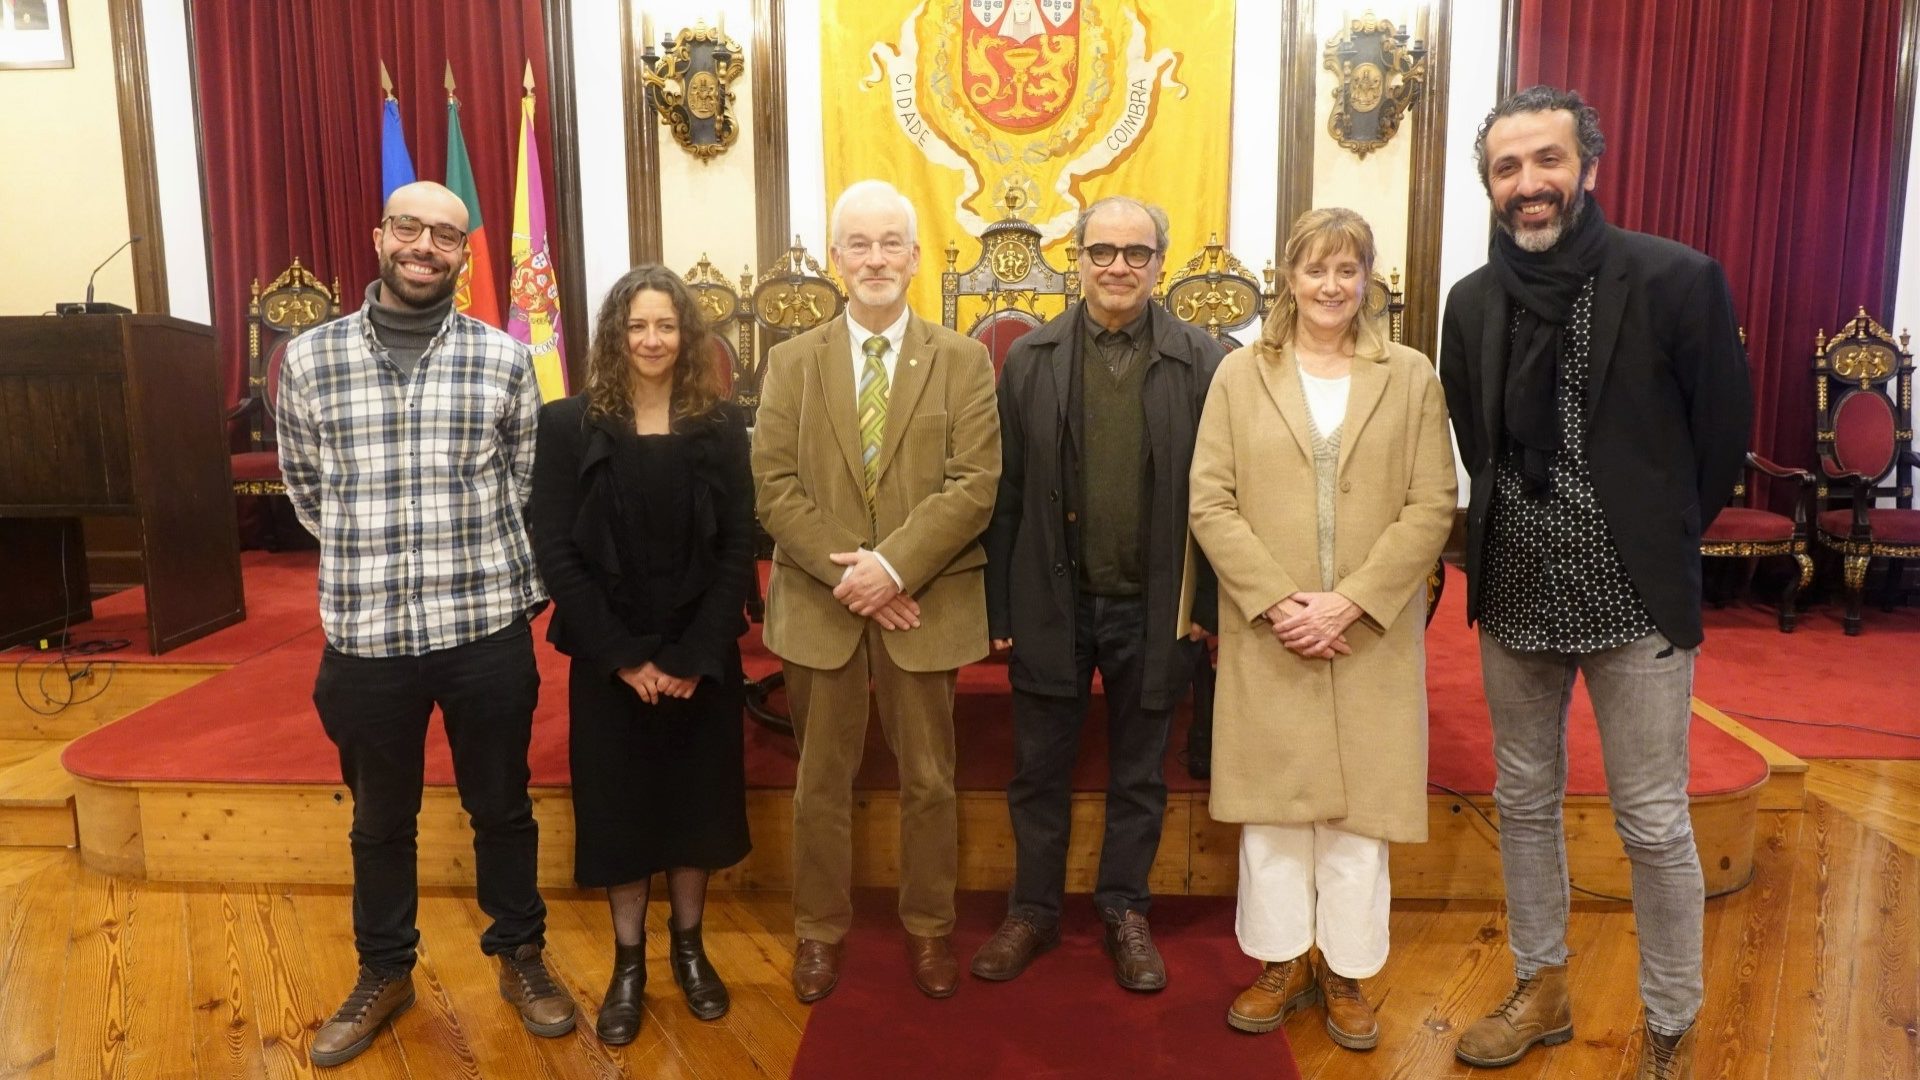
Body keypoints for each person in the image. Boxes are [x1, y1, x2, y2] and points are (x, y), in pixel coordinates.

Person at [1440, 86, 1751, 1079]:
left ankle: (1670, 1021)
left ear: (1589, 169)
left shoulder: (1675, 279)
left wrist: (1655, 537)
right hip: (1515, 592)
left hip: (1634, 597)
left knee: (1653, 818)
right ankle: (1544, 987)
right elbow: (1473, 436)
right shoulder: (1472, 301)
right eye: (1506, 168)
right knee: (1523, 800)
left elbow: (1720, 442)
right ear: (1489, 185)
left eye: (1546, 161)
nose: (1528, 184)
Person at [277, 180, 575, 1068]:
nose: (424, 247)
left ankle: (521, 956)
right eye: (409, 228)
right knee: (378, 820)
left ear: (462, 255)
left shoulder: (503, 360)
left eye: (445, 236)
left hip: (482, 628)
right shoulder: (308, 360)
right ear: (380, 235)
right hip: (367, 637)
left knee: (503, 807)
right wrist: (377, 555)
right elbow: (307, 492)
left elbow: (521, 486)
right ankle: (384, 972)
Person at [1188, 207, 1456, 1051]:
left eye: (1348, 271)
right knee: (1273, 809)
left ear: (1368, 279)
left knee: (1357, 814)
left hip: (1370, 631)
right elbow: (1210, 500)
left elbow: (1432, 502)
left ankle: (1343, 972)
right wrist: (1277, 600)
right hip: (1272, 630)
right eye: (1315, 270)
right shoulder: (1240, 375)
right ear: (1289, 279)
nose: (1332, 287)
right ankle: (1277, 964)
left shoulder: (1410, 374)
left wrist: (1354, 599)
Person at [751, 179, 1001, 1004]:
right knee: (820, 778)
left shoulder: (963, 361)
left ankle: (930, 928)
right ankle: (818, 931)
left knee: (930, 778)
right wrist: (854, 576)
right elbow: (776, 488)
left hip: (923, 603)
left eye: (891, 242)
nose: (875, 259)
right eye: (858, 244)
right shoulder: (790, 362)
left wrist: (892, 569)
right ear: (835, 259)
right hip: (821, 605)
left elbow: (974, 485)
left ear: (916, 257)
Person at [975, 195, 1223, 992]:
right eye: (1102, 250)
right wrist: (999, 611)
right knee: (1037, 770)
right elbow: (1005, 493)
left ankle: (1125, 910)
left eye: (1137, 253)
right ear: (1076, 257)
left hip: (1155, 609)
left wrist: (1207, 609)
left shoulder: (1204, 361)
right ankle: (1033, 912)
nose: (1119, 266)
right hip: (1054, 601)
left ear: (1161, 263)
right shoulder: (1030, 359)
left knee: (1141, 773)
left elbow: (1222, 498)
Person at [527, 265, 753, 1044]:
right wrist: (624, 657)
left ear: (686, 337)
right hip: (608, 657)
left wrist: (693, 656)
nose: (652, 340)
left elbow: (737, 552)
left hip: (701, 661)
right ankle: (630, 964)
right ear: (615, 337)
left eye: (666, 326)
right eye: (637, 327)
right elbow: (556, 549)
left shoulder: (721, 428)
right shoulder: (566, 425)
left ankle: (690, 950)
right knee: (620, 813)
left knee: (696, 807)